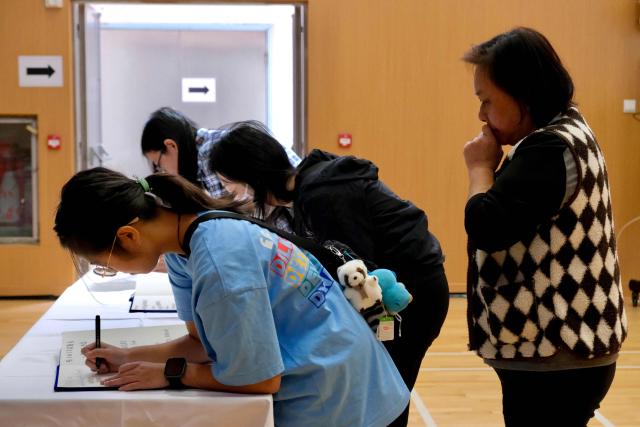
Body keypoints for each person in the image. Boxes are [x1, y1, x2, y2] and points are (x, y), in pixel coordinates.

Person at [53, 167, 409, 427]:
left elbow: (260, 380)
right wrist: (128, 356)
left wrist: (172, 373)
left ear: (128, 236)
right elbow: (203, 343)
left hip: (346, 405)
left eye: (105, 264)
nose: (113, 271)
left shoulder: (220, 261)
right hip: (348, 384)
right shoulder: (186, 244)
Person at [208, 121, 449, 427]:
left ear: (251, 176)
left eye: (230, 184)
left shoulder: (322, 193)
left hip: (412, 291)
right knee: (385, 385)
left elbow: (358, 271)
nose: (230, 193)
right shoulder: (305, 191)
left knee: (389, 386)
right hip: (398, 284)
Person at [462, 27, 628, 426]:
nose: (481, 115)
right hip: (565, 348)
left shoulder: (549, 150)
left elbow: (486, 223)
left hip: (556, 351)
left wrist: (480, 168)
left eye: (487, 101)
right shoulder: (565, 134)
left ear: (524, 94)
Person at [140, 107, 301, 198]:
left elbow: (229, 215)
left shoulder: (207, 155)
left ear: (170, 146)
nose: (162, 171)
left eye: (158, 163)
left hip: (293, 203)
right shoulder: (209, 143)